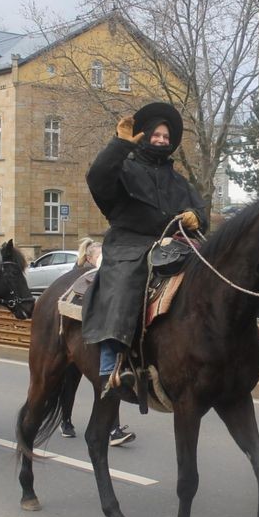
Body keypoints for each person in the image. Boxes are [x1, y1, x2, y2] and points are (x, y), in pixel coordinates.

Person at [81, 101, 207, 434]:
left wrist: (198, 217)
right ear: (146, 135)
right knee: (126, 280)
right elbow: (97, 179)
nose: (163, 139)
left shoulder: (178, 180)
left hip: (175, 243)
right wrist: (119, 144)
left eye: (168, 135)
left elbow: (199, 209)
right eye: (157, 133)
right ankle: (111, 363)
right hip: (129, 243)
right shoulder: (124, 167)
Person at [60, 238, 135, 446]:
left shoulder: (102, 272)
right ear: (90, 257)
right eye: (98, 255)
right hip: (82, 335)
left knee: (109, 381)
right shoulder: (83, 276)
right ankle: (65, 420)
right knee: (70, 381)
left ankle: (113, 428)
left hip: (91, 338)